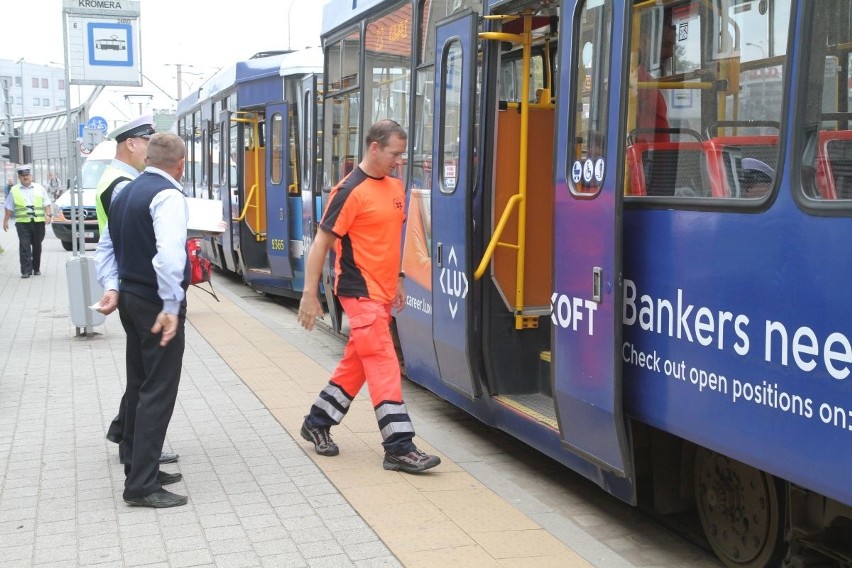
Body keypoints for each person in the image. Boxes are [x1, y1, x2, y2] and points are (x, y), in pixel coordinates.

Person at [297, 119, 441, 474]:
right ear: (374, 147)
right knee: (383, 361)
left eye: (402, 154)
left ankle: (317, 421)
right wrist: (308, 295)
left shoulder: (394, 186)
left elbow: (389, 242)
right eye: (395, 153)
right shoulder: (349, 191)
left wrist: (400, 280)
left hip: (382, 292)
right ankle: (399, 447)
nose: (399, 160)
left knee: (358, 363)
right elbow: (321, 243)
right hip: (359, 293)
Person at [94, 132, 190, 508]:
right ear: (180, 164)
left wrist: (112, 287)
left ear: (149, 157)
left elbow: (106, 245)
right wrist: (170, 305)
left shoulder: (126, 192)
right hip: (154, 303)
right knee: (158, 389)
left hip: (130, 301)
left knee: (139, 383)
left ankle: (137, 464)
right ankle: (142, 485)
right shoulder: (168, 196)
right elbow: (169, 258)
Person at [96, 114, 155, 234]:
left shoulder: (115, 176)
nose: (152, 151)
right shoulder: (122, 184)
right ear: (130, 145)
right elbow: (135, 232)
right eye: (148, 145)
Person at [3, 164, 52, 278]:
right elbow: (9, 207)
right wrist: (5, 221)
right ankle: (26, 270)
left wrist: (48, 215)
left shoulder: (39, 188)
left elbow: (47, 203)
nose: (25, 177)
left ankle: (36, 268)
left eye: (27, 175)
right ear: (19, 177)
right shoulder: (14, 190)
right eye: (23, 175)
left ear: (31, 175)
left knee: (37, 245)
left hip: (38, 222)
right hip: (22, 223)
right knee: (24, 246)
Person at [636, 15, 677, 142]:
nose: (671, 53)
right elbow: (642, 138)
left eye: (672, 46)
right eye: (665, 45)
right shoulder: (639, 81)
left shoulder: (645, 80)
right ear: (644, 41)